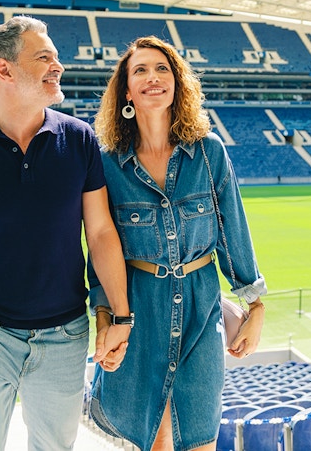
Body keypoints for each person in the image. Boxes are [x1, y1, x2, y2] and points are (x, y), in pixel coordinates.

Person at [0, 15, 132, 451]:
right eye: (44, 57)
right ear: (5, 69)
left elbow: (102, 233)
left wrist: (122, 314)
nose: (59, 67)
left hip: (65, 334)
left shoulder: (80, 139)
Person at [88, 35, 266, 451]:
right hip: (138, 311)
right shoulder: (107, 163)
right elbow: (97, 248)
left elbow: (232, 232)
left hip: (200, 311)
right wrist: (104, 317)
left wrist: (254, 305)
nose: (153, 78)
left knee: (200, 436)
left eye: (162, 69)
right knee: (157, 439)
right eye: (140, 71)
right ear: (126, 91)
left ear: (177, 82)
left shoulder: (209, 153)